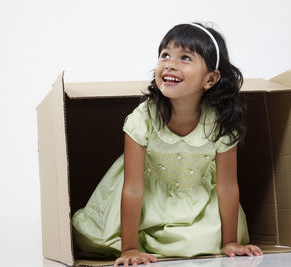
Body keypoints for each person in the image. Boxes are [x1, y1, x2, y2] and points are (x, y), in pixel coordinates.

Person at [71, 22, 263, 267]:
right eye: (165, 55)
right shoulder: (143, 118)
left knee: (203, 241)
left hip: (197, 199)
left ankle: (192, 236)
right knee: (95, 238)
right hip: (147, 196)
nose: (170, 64)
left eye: (185, 57)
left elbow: (227, 188)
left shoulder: (220, 124)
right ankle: (138, 239)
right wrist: (129, 247)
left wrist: (229, 241)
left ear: (211, 79)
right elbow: (132, 188)